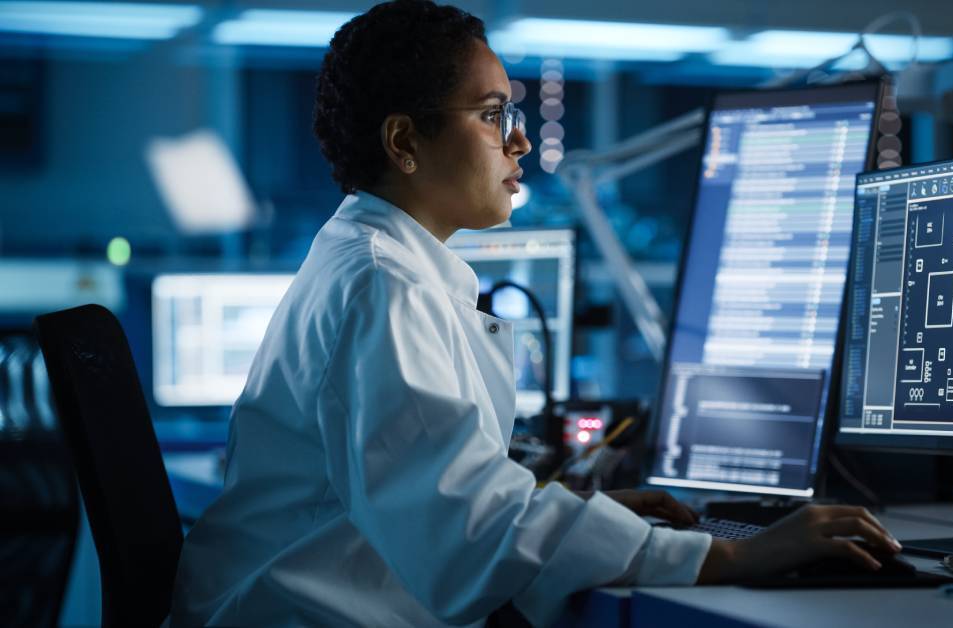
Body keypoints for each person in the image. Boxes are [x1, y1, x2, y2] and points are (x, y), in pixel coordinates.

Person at [170, 1, 902, 625]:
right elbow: (470, 529)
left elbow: (440, 483)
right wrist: (733, 552)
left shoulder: (375, 262)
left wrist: (584, 507)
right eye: (492, 116)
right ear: (404, 142)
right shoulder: (382, 285)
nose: (520, 140)